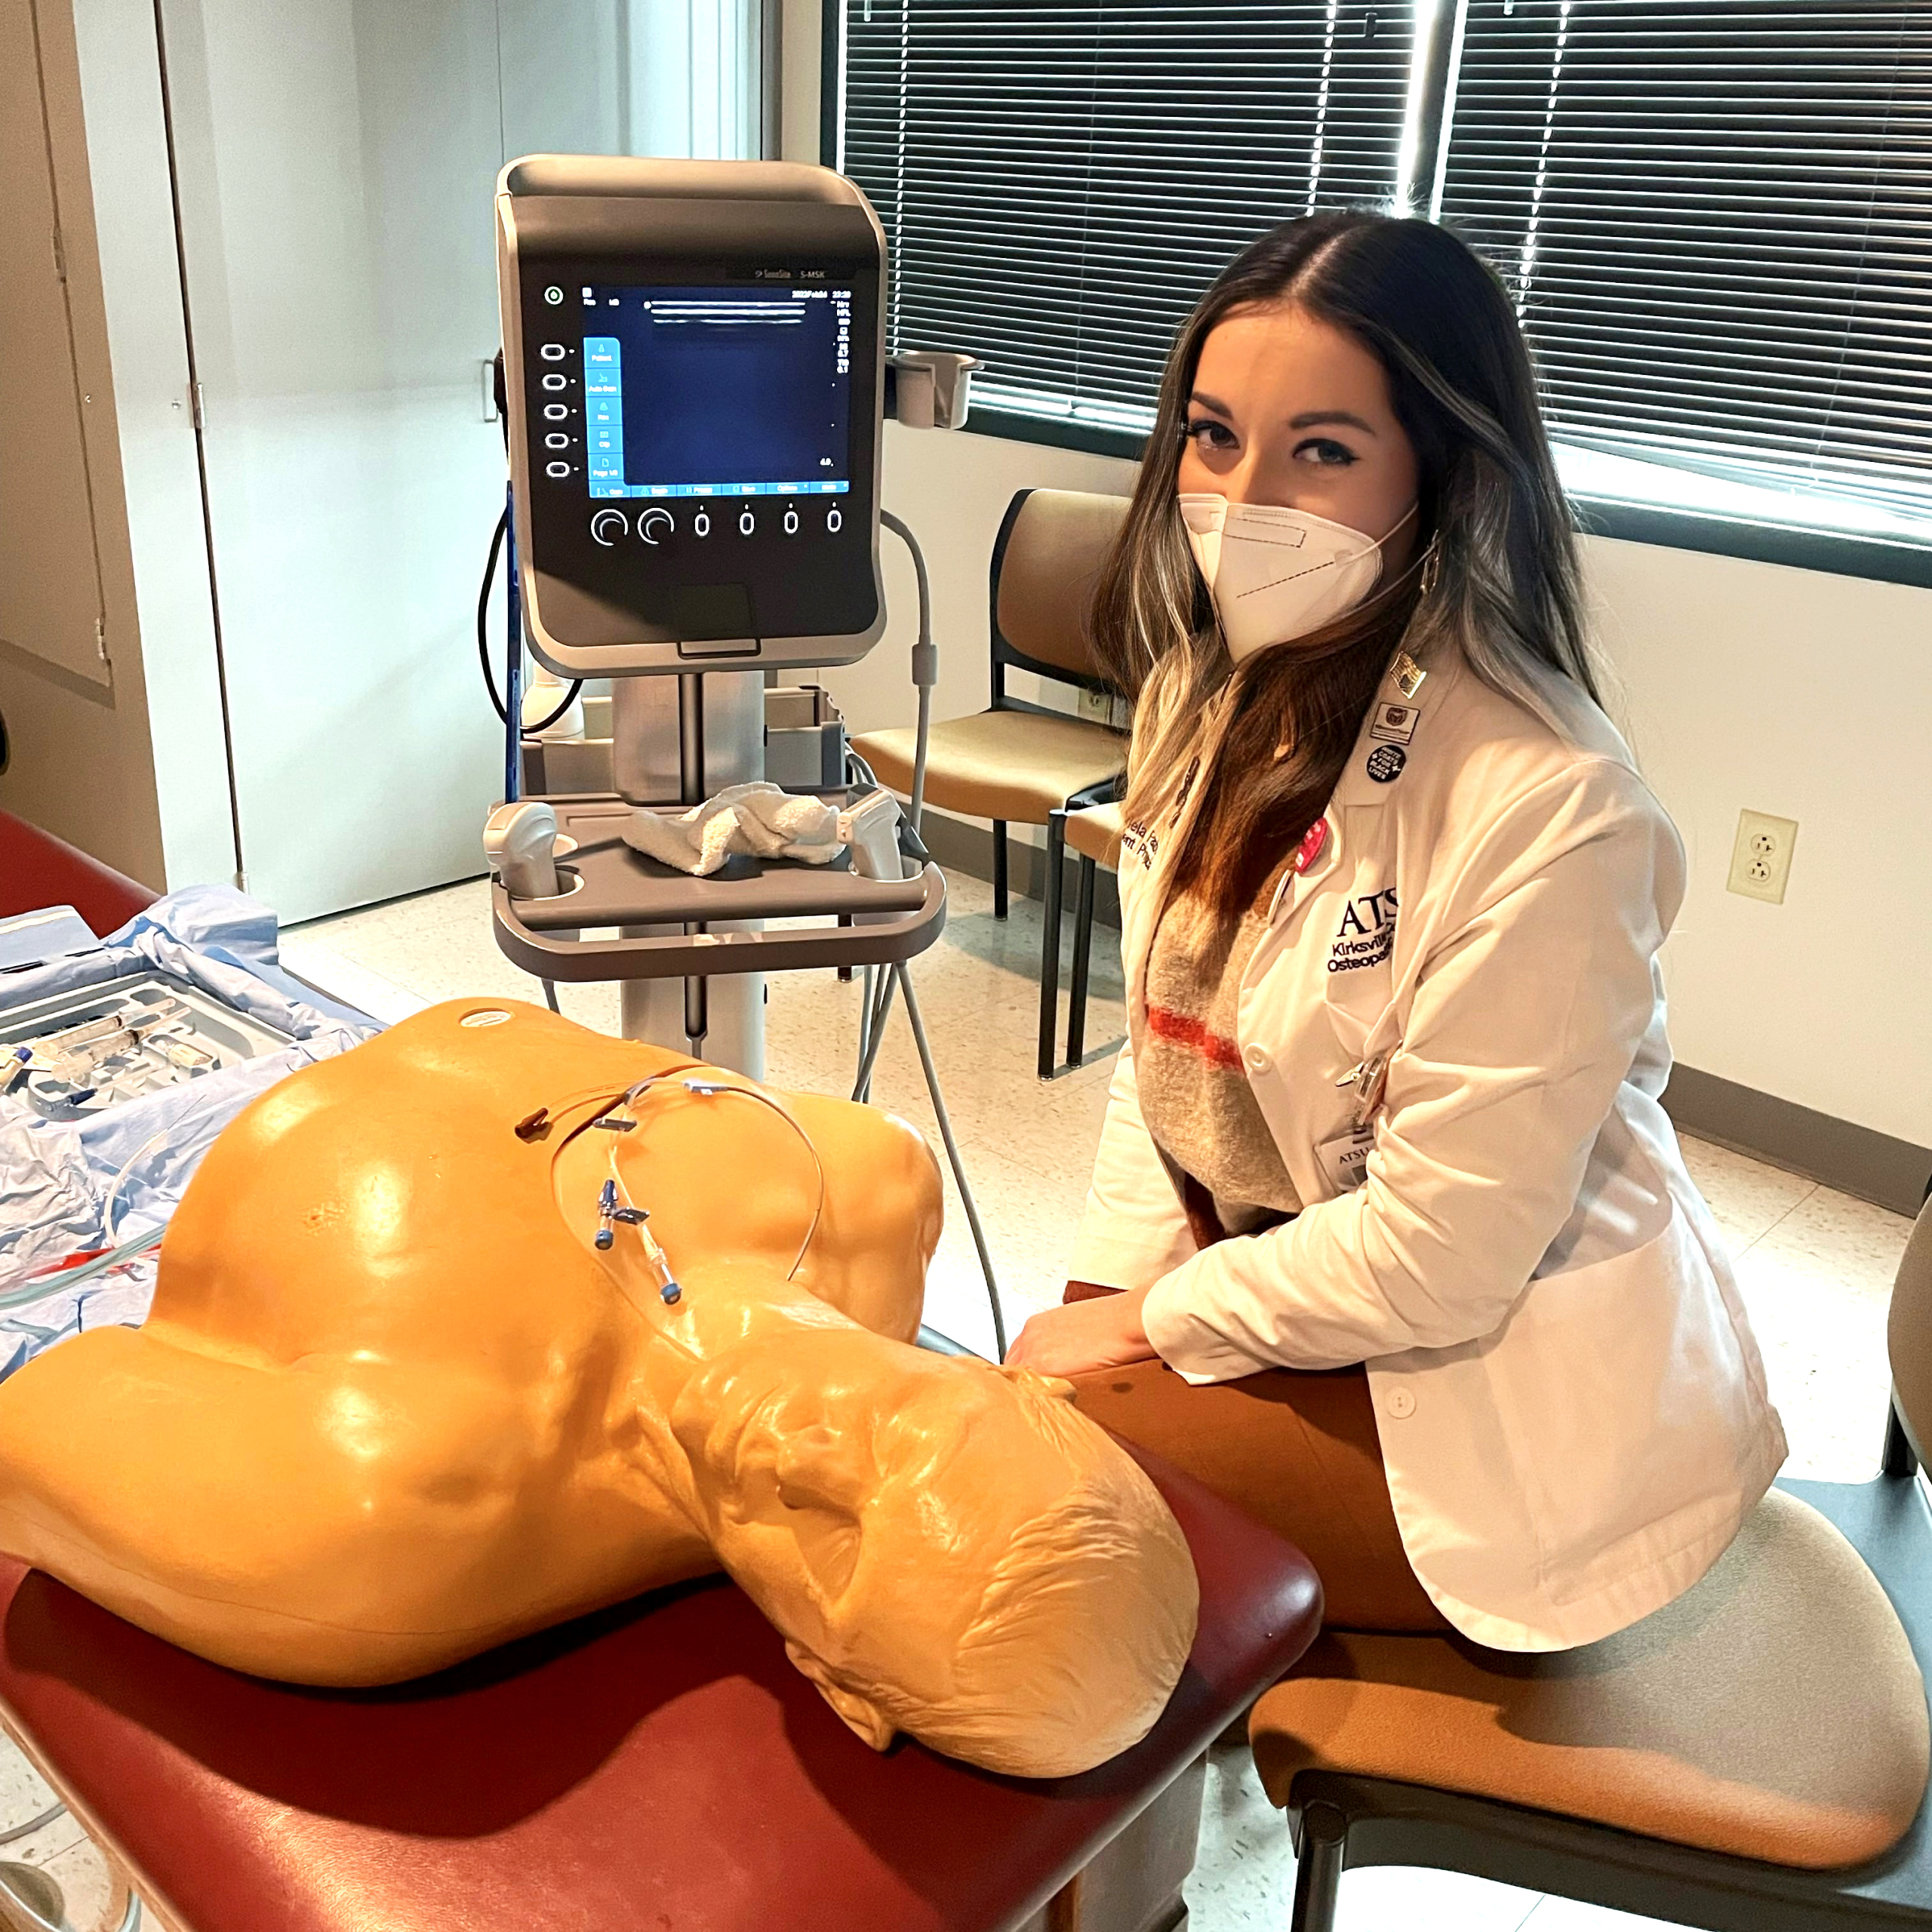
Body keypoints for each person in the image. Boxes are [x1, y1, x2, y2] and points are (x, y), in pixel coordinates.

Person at [1004, 212, 1786, 1651]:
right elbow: (1168, 1062)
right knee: (1028, 1434)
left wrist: (1147, 1331)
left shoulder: (1555, 810)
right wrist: (1114, 1289)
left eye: (1322, 449)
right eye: (1213, 434)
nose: (1242, 501)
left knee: (1035, 1523)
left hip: (1494, 1397)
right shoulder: (1211, 690)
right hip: (1291, 1274)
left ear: (1443, 473)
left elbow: (1441, 1256)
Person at [0, 1000, 1197, 1779]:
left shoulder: (403, 1507)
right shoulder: (875, 1185)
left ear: (835, 1682)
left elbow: (38, 1420)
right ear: (1021, 1391)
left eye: (835, 1544)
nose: (806, 1456)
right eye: (906, 1439)